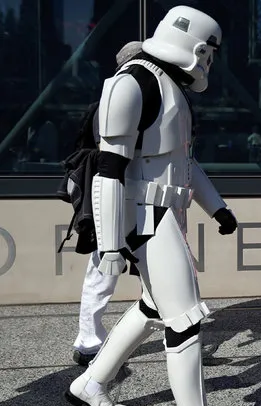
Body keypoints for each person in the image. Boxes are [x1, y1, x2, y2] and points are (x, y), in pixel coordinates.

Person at [64, 6, 237, 406]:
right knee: (185, 321)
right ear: (196, 47)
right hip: (144, 218)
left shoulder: (169, 85)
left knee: (152, 307)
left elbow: (185, 164)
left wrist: (218, 208)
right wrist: (109, 245)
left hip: (166, 214)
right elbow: (109, 171)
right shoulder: (133, 83)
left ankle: (90, 383)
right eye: (208, 52)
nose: (208, 62)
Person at [72, 41, 144, 367]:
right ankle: (88, 342)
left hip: (123, 196)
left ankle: (88, 341)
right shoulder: (124, 97)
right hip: (126, 195)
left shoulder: (113, 96)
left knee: (102, 272)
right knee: (105, 270)